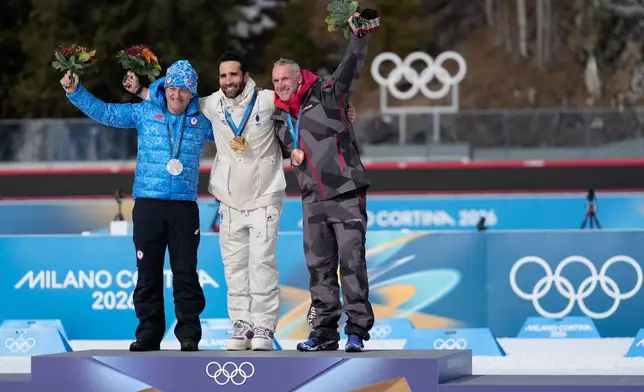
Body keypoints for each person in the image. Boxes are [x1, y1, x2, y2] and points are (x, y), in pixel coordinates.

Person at [123, 52, 358, 351]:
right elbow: (174, 99)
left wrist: (340, 108)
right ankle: (241, 325)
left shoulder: (267, 100)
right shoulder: (209, 104)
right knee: (234, 269)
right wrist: (144, 91)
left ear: (245, 76)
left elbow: (300, 96)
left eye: (233, 75)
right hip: (229, 201)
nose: (228, 81)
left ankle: (263, 326)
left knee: (262, 266)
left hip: (263, 200)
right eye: (223, 76)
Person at [61, 60, 213, 352]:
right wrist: (76, 92)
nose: (177, 96)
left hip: (183, 208)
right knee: (148, 272)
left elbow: (237, 135)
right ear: (165, 87)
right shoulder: (145, 112)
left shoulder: (202, 121)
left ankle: (189, 335)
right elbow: (106, 113)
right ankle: (148, 334)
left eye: (184, 91)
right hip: (147, 205)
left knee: (186, 273)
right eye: (173, 88)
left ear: (193, 94)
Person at [272, 13, 374, 352]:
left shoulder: (329, 94)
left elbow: (351, 66)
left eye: (285, 79)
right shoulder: (277, 115)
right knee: (319, 268)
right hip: (311, 198)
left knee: (352, 263)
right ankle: (324, 332)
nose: (280, 85)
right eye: (275, 81)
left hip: (345, 192)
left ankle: (356, 330)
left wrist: (358, 36)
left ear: (299, 77)